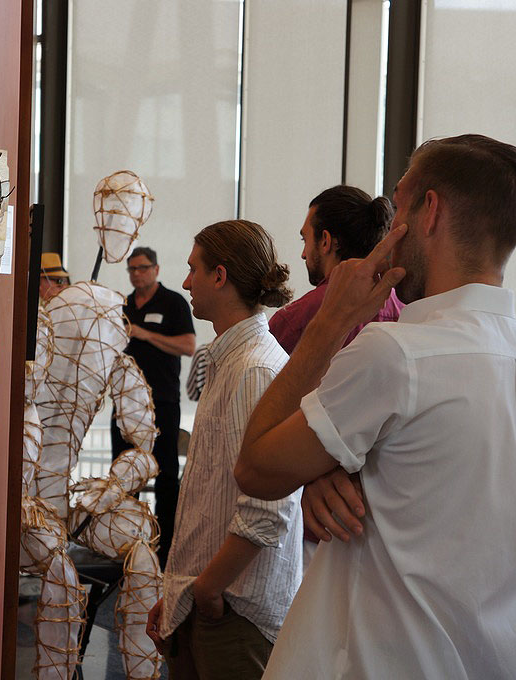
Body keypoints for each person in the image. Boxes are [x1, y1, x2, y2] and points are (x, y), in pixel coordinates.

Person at [235, 134, 516, 679]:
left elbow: (254, 468)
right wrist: (325, 468)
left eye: (400, 202)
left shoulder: (396, 354)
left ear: (429, 212)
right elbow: (431, 487)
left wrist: (331, 321)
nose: (391, 225)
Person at [146, 220, 303, 680]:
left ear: (220, 276)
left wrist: (207, 590)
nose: (185, 282)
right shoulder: (233, 360)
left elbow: (268, 509)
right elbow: (210, 496)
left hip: (233, 610)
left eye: (193, 269)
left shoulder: (254, 370)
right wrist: (180, 591)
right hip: (209, 601)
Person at [111, 246, 196, 566]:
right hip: (125, 404)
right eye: (132, 269)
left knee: (165, 474)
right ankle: (124, 541)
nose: (137, 274)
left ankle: (165, 547)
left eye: (143, 268)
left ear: (156, 269)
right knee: (123, 473)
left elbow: (188, 346)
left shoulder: (173, 302)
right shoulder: (123, 305)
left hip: (162, 402)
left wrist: (144, 334)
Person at [269, 185, 403, 353]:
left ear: (325, 241)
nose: (303, 254)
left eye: (305, 240)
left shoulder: (292, 321)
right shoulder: (404, 310)